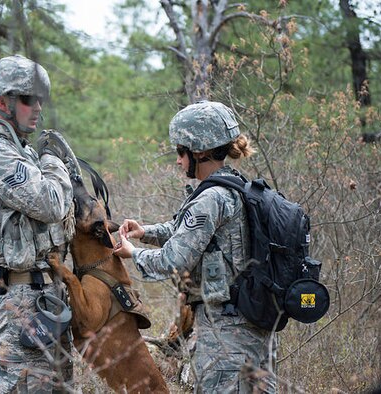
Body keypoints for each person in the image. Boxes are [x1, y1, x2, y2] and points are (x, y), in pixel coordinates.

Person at [113, 100, 277, 393]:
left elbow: (173, 260)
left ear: (199, 151)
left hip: (227, 334)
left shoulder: (210, 198)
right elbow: (187, 231)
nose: (178, 160)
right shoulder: (233, 185)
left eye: (180, 152)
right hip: (250, 325)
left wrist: (133, 254)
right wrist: (145, 232)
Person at [0, 54, 75, 393]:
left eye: (40, 100)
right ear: (3, 102)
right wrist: (53, 161)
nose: (38, 108)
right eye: (29, 100)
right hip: (16, 301)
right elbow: (51, 203)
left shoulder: (23, 153)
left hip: (43, 295)